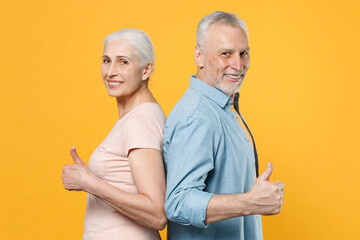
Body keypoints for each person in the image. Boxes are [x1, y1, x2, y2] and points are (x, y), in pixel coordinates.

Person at [163, 11, 285, 240]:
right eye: (225, 54)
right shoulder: (197, 116)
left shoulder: (220, 108)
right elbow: (178, 202)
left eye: (243, 53)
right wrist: (250, 202)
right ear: (199, 57)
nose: (238, 65)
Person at [61, 29, 166, 240]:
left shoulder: (139, 122)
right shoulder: (137, 116)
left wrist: (90, 182)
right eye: (106, 60)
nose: (110, 72)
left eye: (123, 62)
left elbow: (157, 214)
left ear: (146, 70)